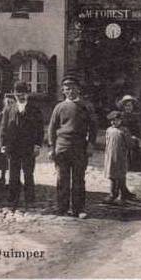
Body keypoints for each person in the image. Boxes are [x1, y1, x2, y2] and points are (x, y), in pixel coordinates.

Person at [48, 74, 97, 217]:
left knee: (78, 179)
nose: (70, 91)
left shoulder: (86, 107)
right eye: (67, 89)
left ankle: (79, 209)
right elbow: (52, 128)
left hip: (80, 147)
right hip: (62, 147)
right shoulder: (59, 107)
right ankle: (62, 208)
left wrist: (91, 145)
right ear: (63, 91)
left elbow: (93, 128)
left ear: (78, 89)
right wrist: (52, 148)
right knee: (62, 179)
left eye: (73, 88)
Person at [0, 81, 44, 208]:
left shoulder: (34, 109)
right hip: (13, 147)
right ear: (14, 94)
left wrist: (37, 145)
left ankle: (30, 199)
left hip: (28, 147)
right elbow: (3, 127)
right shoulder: (9, 109)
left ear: (27, 94)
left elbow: (40, 129)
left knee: (28, 173)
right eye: (18, 94)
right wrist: (3, 144)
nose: (21, 96)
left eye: (23, 94)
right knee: (13, 174)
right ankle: (13, 198)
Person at [105, 94, 141, 201]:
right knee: (119, 169)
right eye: (126, 106)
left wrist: (136, 137)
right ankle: (121, 191)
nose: (128, 108)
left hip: (130, 144)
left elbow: (137, 130)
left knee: (123, 169)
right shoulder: (119, 117)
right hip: (121, 145)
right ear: (122, 107)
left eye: (130, 105)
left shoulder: (134, 117)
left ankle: (123, 191)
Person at [101, 112, 130, 205]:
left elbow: (129, 143)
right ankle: (112, 194)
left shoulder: (124, 131)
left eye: (116, 120)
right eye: (112, 120)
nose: (113, 122)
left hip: (120, 156)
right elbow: (107, 142)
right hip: (110, 156)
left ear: (120, 121)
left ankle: (122, 195)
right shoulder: (108, 130)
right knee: (112, 175)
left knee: (121, 175)